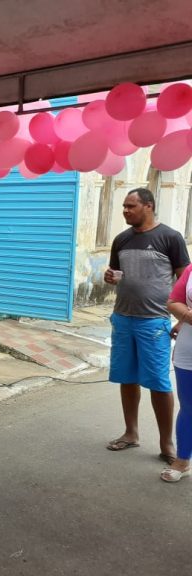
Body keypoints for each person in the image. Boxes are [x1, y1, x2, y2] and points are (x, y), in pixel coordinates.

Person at [104, 187, 189, 463]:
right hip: (122, 318)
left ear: (148, 206)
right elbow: (115, 273)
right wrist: (110, 277)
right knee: (127, 377)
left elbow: (185, 283)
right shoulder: (121, 239)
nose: (125, 211)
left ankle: (167, 444)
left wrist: (182, 319)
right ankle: (131, 433)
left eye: (131, 206)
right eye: (124, 206)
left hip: (153, 322)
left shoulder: (170, 238)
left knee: (159, 382)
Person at [164, 263, 192, 481]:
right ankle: (182, 460)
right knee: (189, 407)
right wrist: (186, 317)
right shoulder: (191, 270)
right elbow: (173, 302)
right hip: (188, 350)